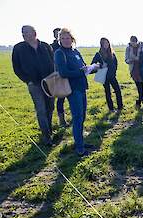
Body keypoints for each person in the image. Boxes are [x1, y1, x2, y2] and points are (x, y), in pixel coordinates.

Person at [12, 25, 55, 145]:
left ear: (34, 33)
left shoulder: (46, 46)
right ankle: (46, 137)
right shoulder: (18, 48)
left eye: (26, 32)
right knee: (41, 109)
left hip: (49, 82)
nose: (24, 34)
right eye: (22, 32)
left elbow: (53, 62)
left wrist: (54, 77)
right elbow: (17, 68)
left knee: (50, 107)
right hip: (34, 84)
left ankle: (49, 129)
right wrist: (27, 80)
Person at [54, 28, 94, 156]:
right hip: (72, 89)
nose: (66, 40)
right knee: (77, 117)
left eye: (68, 38)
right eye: (63, 38)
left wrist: (91, 68)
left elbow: (83, 66)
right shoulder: (60, 53)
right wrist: (80, 72)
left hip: (82, 87)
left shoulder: (75, 51)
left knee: (82, 116)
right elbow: (63, 72)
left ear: (72, 39)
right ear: (60, 40)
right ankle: (79, 148)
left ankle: (80, 141)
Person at [91, 38, 123, 112]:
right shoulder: (98, 54)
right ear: (101, 44)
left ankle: (120, 107)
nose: (106, 44)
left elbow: (116, 64)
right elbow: (93, 65)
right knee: (107, 92)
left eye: (107, 43)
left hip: (112, 76)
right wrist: (101, 66)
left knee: (118, 90)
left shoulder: (112, 53)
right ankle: (111, 108)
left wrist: (114, 72)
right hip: (104, 76)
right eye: (104, 43)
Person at [51, 27, 68, 127]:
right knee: (61, 98)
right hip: (58, 76)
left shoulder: (68, 45)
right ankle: (62, 120)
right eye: (57, 34)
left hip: (70, 75)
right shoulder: (52, 47)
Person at [125, 36, 143, 109]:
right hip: (133, 69)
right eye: (132, 42)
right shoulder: (128, 48)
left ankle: (141, 101)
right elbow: (126, 59)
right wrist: (131, 60)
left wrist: (138, 58)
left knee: (142, 85)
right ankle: (142, 101)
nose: (133, 44)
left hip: (142, 68)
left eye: (134, 42)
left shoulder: (142, 46)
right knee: (138, 86)